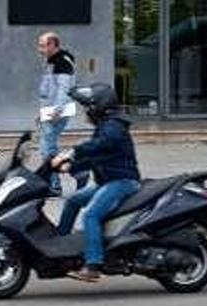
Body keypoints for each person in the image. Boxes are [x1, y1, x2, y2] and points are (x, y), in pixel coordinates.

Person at [51, 84, 142, 283]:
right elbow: (96, 156)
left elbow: (100, 145)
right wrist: (70, 166)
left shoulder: (114, 126)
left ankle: (93, 265)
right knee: (73, 200)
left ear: (97, 108)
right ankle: (59, 244)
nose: (85, 112)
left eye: (87, 108)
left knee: (91, 215)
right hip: (108, 182)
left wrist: (72, 153)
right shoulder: (106, 125)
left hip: (123, 182)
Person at [37, 32, 88, 195]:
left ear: (53, 45)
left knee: (47, 147)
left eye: (43, 45)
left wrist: (56, 110)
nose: (40, 49)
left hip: (57, 110)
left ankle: (58, 183)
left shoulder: (62, 61)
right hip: (50, 109)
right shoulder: (53, 60)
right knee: (48, 146)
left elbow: (63, 89)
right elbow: (49, 89)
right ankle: (73, 174)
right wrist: (43, 112)